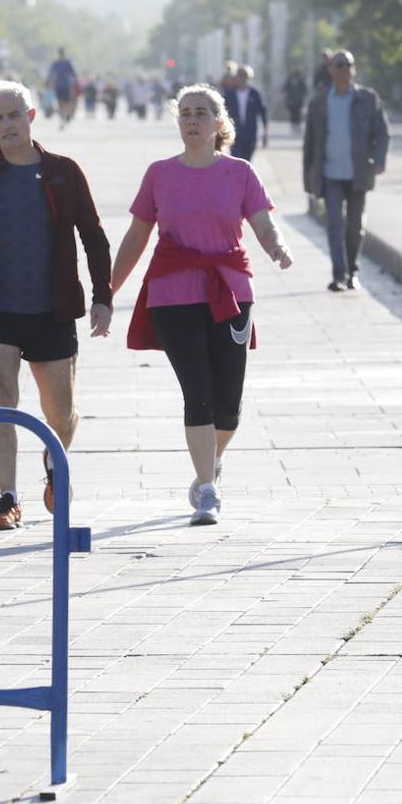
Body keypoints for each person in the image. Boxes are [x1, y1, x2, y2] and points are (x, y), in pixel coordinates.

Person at [111, 84, 293, 526]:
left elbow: (264, 225)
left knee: (228, 403)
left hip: (230, 292)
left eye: (201, 113)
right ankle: (206, 489)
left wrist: (278, 248)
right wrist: (107, 290)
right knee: (198, 391)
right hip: (173, 294)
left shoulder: (240, 173)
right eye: (186, 113)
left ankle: (210, 461)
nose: (192, 120)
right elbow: (138, 236)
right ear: (179, 123)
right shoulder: (159, 174)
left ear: (218, 123)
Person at [0, 81, 113, 529]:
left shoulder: (63, 172)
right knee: (0, 403)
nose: (6, 125)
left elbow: (93, 237)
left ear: (31, 117)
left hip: (52, 311)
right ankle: (8, 499)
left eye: (14, 115)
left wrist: (102, 298)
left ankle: (54, 463)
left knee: (60, 411)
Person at [303, 50, 390, 292]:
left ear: (354, 69)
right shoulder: (319, 102)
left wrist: (379, 160)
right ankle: (338, 275)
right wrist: (308, 178)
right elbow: (310, 143)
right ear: (330, 69)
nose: (343, 69)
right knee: (334, 224)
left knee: (354, 227)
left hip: (358, 172)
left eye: (347, 65)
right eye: (338, 65)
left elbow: (382, 132)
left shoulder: (367, 98)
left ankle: (353, 271)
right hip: (330, 174)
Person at [223, 65, 268, 161]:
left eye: (245, 76)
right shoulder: (230, 94)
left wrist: (265, 132)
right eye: (240, 75)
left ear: (249, 78)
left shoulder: (255, 94)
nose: (242, 79)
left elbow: (263, 112)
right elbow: (222, 112)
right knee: (237, 160)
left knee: (247, 161)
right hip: (234, 133)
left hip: (250, 133)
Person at [46, 47, 78, 128]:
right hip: (58, 85)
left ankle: (66, 115)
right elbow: (51, 73)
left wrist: (74, 82)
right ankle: (63, 118)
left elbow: (74, 74)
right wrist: (49, 82)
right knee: (60, 103)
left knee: (66, 102)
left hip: (66, 85)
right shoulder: (56, 63)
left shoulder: (68, 63)